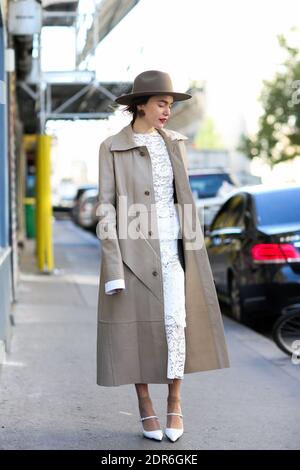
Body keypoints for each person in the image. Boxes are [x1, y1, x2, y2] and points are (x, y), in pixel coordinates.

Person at [96, 70, 230, 442]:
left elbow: (183, 199)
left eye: (170, 105)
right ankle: (145, 406)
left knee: (176, 323)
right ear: (140, 104)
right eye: (161, 103)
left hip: (174, 248)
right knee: (134, 332)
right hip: (132, 254)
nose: (167, 110)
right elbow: (105, 208)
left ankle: (175, 400)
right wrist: (112, 265)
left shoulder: (175, 144)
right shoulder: (111, 147)